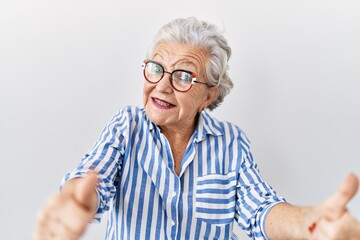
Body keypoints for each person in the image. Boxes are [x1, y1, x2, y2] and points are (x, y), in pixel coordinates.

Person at [34, 17, 360, 240]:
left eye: (183, 76)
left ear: (209, 95)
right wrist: (75, 203)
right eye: (156, 68)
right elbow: (92, 184)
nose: (162, 86)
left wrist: (309, 224)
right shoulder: (126, 126)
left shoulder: (230, 143)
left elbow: (261, 208)